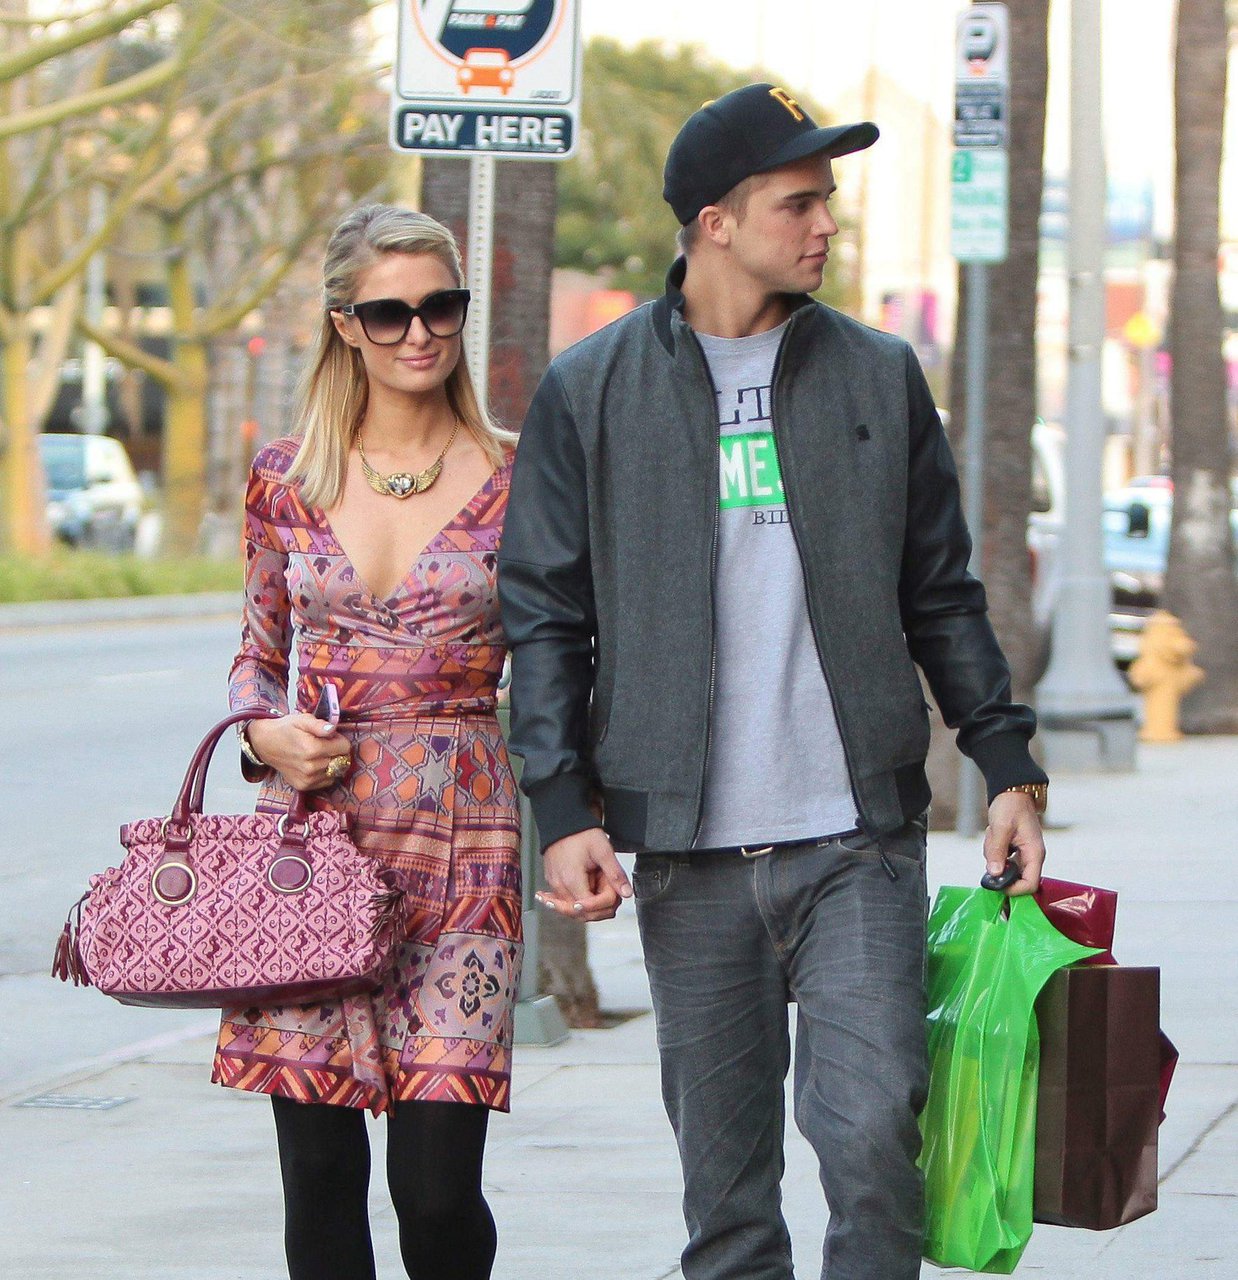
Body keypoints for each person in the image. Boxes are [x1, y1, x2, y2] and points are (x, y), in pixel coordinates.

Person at [498, 84, 1049, 1280]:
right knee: (728, 1199)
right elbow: (543, 618)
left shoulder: (875, 374)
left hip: (856, 838)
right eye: (796, 203)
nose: (822, 226)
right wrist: (563, 807)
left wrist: (1005, 761)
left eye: (826, 203)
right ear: (712, 220)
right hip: (688, 858)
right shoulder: (588, 391)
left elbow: (938, 590)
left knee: (869, 1142)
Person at [216, 203, 521, 1280]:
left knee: (436, 1194)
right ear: (345, 325)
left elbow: (570, 653)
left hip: (463, 844)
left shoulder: (514, 474)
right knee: (320, 1186)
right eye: (388, 314)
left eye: (441, 306)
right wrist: (265, 734)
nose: (418, 334)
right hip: (314, 845)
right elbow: (255, 656)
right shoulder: (284, 478)